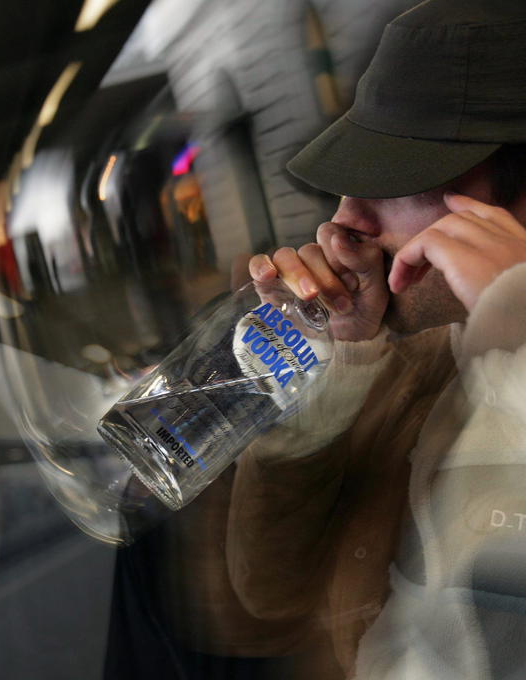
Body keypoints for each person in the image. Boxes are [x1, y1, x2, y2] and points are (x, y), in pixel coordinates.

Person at [216, 0, 526, 678]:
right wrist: (337, 363)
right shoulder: (411, 352)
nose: (344, 221)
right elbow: (269, 588)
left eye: (395, 179)